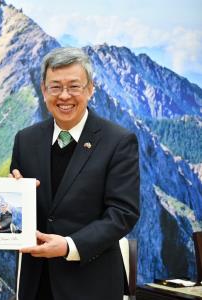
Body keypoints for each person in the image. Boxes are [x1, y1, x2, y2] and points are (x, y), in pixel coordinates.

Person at [9, 47, 140, 300]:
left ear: (90, 89)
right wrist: (14, 196)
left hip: (91, 284)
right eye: (55, 87)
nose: (64, 96)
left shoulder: (119, 141)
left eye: (74, 86)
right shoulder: (25, 140)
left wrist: (69, 246)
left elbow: (123, 213)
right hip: (35, 284)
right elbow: (21, 213)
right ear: (44, 91)